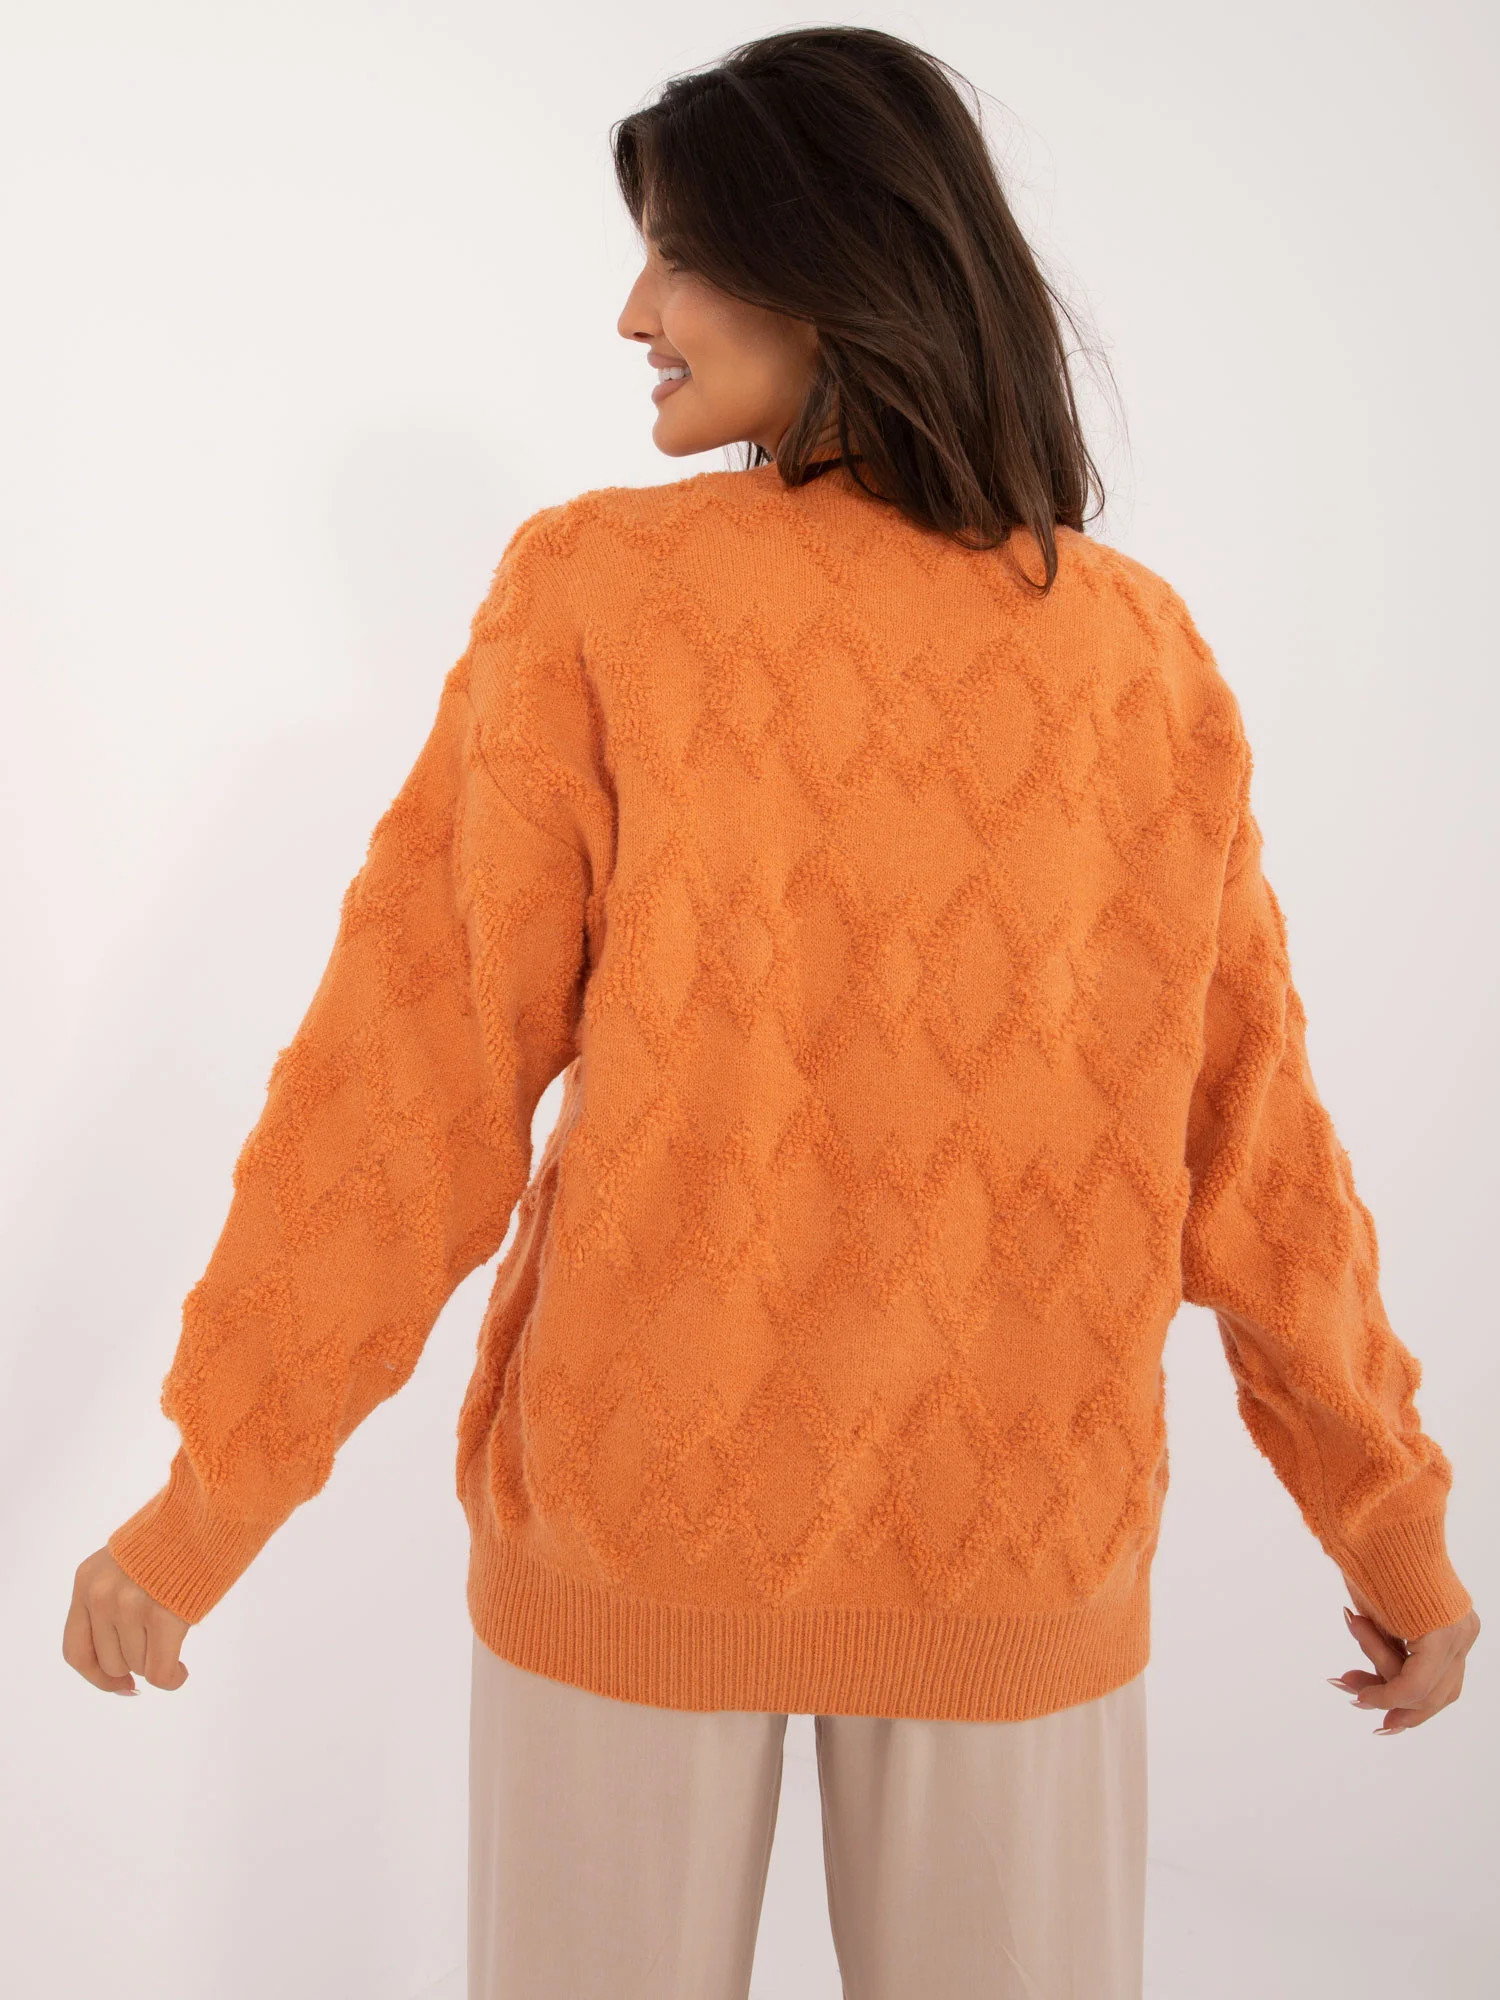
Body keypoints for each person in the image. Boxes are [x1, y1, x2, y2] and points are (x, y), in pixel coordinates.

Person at [64, 24, 1479, 2000]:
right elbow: (1257, 1150)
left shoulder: (604, 591)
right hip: (1011, 1547)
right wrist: (1387, 1528)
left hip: (646, 1530)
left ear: (831, 263)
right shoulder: (1131, 652)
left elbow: (409, 1084)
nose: (632, 311)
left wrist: (207, 1504)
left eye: (677, 255)